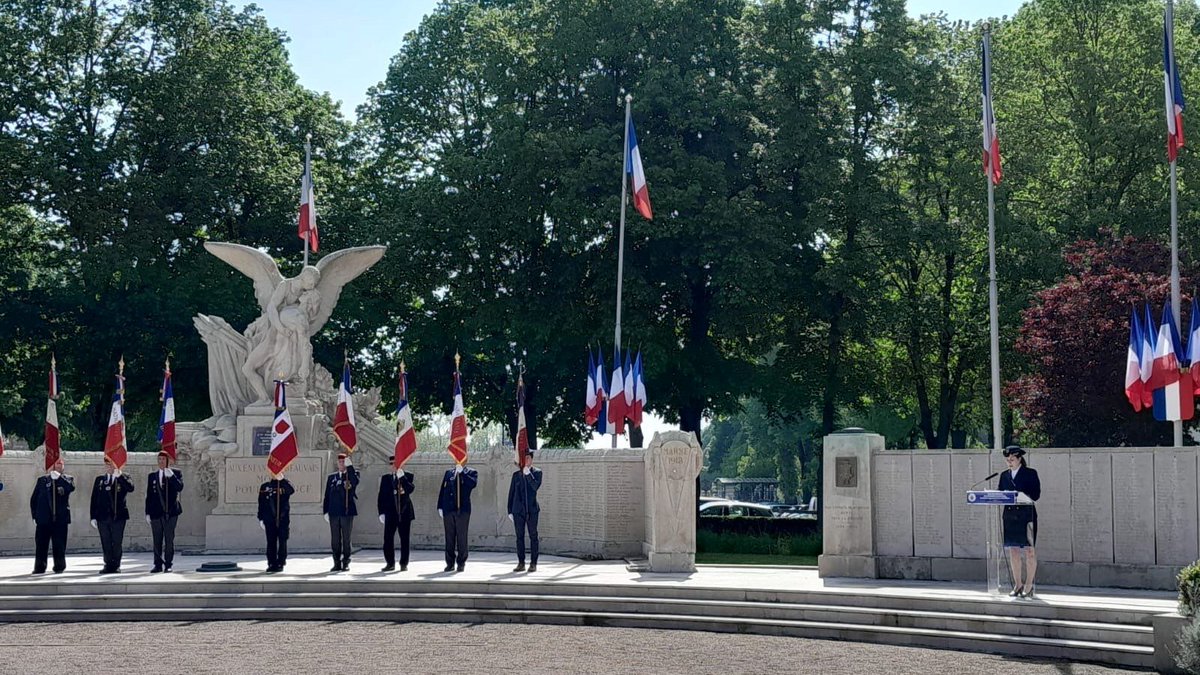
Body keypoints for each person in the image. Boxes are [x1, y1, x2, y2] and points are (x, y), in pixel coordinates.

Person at [998, 445, 1041, 598]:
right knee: (1013, 551)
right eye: (1007, 460)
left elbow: (1036, 495)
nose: (1009, 462)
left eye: (1012, 459)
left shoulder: (1030, 473)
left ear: (1019, 459)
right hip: (1010, 517)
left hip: (1026, 516)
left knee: (1029, 551)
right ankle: (1018, 584)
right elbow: (1000, 493)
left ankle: (1029, 585)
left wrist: (1021, 494)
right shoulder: (1004, 475)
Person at [89, 456, 134, 574]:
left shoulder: (124, 477)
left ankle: (116, 565)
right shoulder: (100, 480)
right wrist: (93, 516)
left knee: (117, 541)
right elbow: (94, 499)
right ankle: (108, 564)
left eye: (112, 464)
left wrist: (119, 476)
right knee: (106, 541)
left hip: (118, 516)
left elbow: (130, 488)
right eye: (107, 464)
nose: (109, 467)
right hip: (102, 516)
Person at [30, 458, 74, 574]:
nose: (58, 466)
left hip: (60, 519)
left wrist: (58, 478)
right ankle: (39, 567)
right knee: (41, 545)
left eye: (60, 463)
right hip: (44, 519)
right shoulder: (42, 480)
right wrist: (35, 516)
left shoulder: (68, 479)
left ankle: (59, 567)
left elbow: (70, 488)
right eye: (56, 463)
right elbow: (34, 499)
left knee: (59, 544)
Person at [145, 451, 184, 573]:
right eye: (159, 459)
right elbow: (149, 496)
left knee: (169, 539)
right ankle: (157, 564)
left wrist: (171, 476)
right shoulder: (152, 476)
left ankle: (168, 564)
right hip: (156, 512)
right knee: (157, 539)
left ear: (168, 461)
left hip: (171, 512)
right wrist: (147, 513)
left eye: (163, 459)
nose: (161, 461)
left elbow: (180, 487)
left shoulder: (176, 473)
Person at [436, 463, 478, 572]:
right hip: (448, 509)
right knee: (449, 537)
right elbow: (443, 491)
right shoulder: (448, 473)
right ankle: (450, 563)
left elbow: (472, 484)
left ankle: (461, 562)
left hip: (462, 510)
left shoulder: (471, 472)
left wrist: (462, 473)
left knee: (461, 537)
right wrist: (440, 506)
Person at [321, 452, 359, 571]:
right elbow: (327, 495)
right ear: (337, 463)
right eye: (340, 461)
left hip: (346, 512)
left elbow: (355, 482)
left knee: (346, 539)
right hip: (334, 512)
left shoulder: (352, 475)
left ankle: (346, 562)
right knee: (335, 540)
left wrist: (351, 467)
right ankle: (336, 562)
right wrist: (325, 511)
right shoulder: (332, 477)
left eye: (344, 462)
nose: (342, 464)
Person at [506, 449, 542, 572]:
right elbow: (511, 493)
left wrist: (528, 475)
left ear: (532, 459)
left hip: (532, 510)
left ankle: (533, 563)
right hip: (518, 511)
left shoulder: (537, 472)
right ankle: (521, 563)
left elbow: (535, 487)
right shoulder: (516, 475)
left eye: (528, 458)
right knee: (519, 537)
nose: (526, 460)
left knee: (533, 536)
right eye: (524, 458)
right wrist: (510, 510)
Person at [377, 457, 415, 572]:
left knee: (404, 539)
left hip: (404, 512)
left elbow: (410, 489)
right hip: (390, 512)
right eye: (391, 464)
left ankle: (404, 563)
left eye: (395, 463)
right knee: (388, 539)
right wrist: (381, 512)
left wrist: (401, 477)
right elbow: (381, 497)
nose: (393, 466)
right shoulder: (386, 478)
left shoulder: (408, 476)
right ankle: (390, 563)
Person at [257, 472, 295, 573]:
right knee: (271, 542)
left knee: (282, 541)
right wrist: (260, 518)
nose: (275, 474)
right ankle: (271, 563)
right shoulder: (265, 487)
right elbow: (261, 504)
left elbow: (291, 491)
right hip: (269, 520)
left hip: (282, 519)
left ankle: (280, 562)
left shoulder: (284, 484)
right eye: (273, 473)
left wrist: (281, 480)